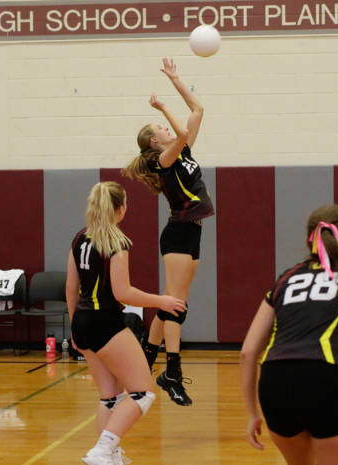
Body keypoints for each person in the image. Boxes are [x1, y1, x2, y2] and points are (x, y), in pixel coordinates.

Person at [238, 205, 338, 465]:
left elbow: (247, 352)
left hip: (274, 384)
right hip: (325, 381)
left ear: (308, 240)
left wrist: (252, 413)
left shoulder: (285, 279)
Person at [68, 182, 187, 465]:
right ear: (120, 209)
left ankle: (109, 456)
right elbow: (123, 293)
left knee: (110, 398)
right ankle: (102, 450)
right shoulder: (117, 242)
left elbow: (71, 287)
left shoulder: (79, 238)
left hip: (82, 322)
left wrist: (74, 326)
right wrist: (162, 301)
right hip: (105, 323)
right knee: (143, 393)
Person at [121, 57, 212, 406]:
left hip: (193, 232)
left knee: (173, 302)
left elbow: (197, 110)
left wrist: (176, 80)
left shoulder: (181, 150)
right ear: (154, 141)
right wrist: (160, 104)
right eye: (161, 127)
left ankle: (146, 358)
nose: (166, 128)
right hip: (177, 234)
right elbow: (185, 131)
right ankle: (171, 371)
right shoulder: (164, 160)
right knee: (175, 305)